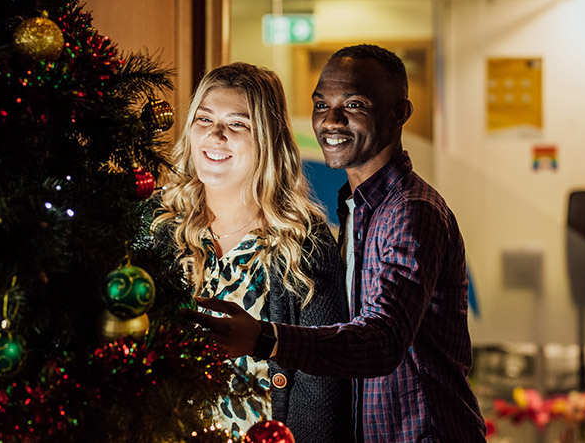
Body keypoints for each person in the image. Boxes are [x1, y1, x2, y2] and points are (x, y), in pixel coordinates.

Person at [188, 45, 487, 443]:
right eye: (320, 104)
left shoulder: (410, 211)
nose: (331, 120)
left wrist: (264, 338)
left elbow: (383, 339)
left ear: (398, 113)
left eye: (354, 104)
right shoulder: (357, 206)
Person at [153, 62, 353, 443]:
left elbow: (321, 386)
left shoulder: (303, 243)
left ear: (268, 138)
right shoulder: (159, 225)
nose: (215, 135)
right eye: (204, 119)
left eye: (237, 124)